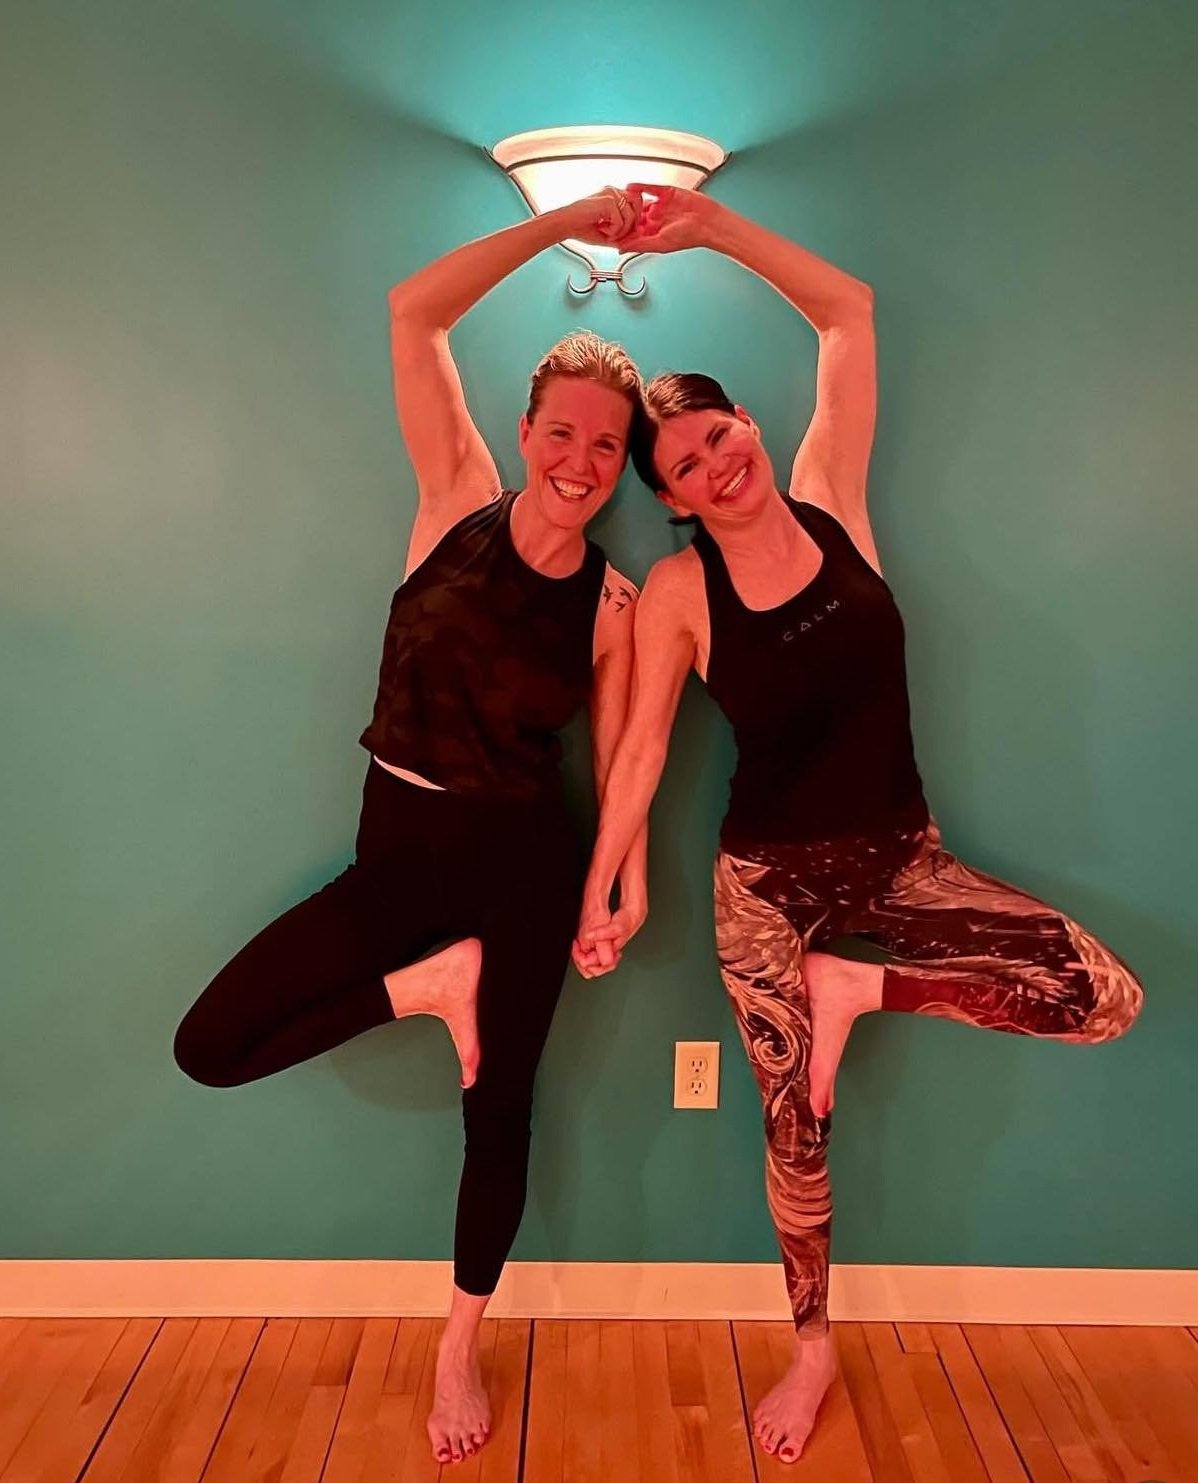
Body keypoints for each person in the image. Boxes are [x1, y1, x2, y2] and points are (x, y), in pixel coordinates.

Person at [574, 185, 1143, 1464]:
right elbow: (644, 752)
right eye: (685, 469)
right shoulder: (679, 588)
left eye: (719, 437)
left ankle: (859, 993)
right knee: (794, 1130)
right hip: (766, 890)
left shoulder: (832, 496)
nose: (715, 467)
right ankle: (812, 1346)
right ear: (669, 497)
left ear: (748, 426)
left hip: (904, 861)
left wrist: (710, 230)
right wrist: (601, 886)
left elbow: (847, 315)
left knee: (1097, 997)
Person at [174, 189, 648, 1467]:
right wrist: (566, 226)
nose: (582, 461)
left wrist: (616, 886)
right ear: (528, 427)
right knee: (208, 1045)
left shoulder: (610, 600)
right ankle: (427, 987)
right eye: (565, 432)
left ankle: (456, 1340)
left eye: (609, 447)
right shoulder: (455, 500)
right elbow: (413, 311)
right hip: (397, 854)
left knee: (502, 1112)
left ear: (623, 463)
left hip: (524, 869)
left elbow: (617, 759)